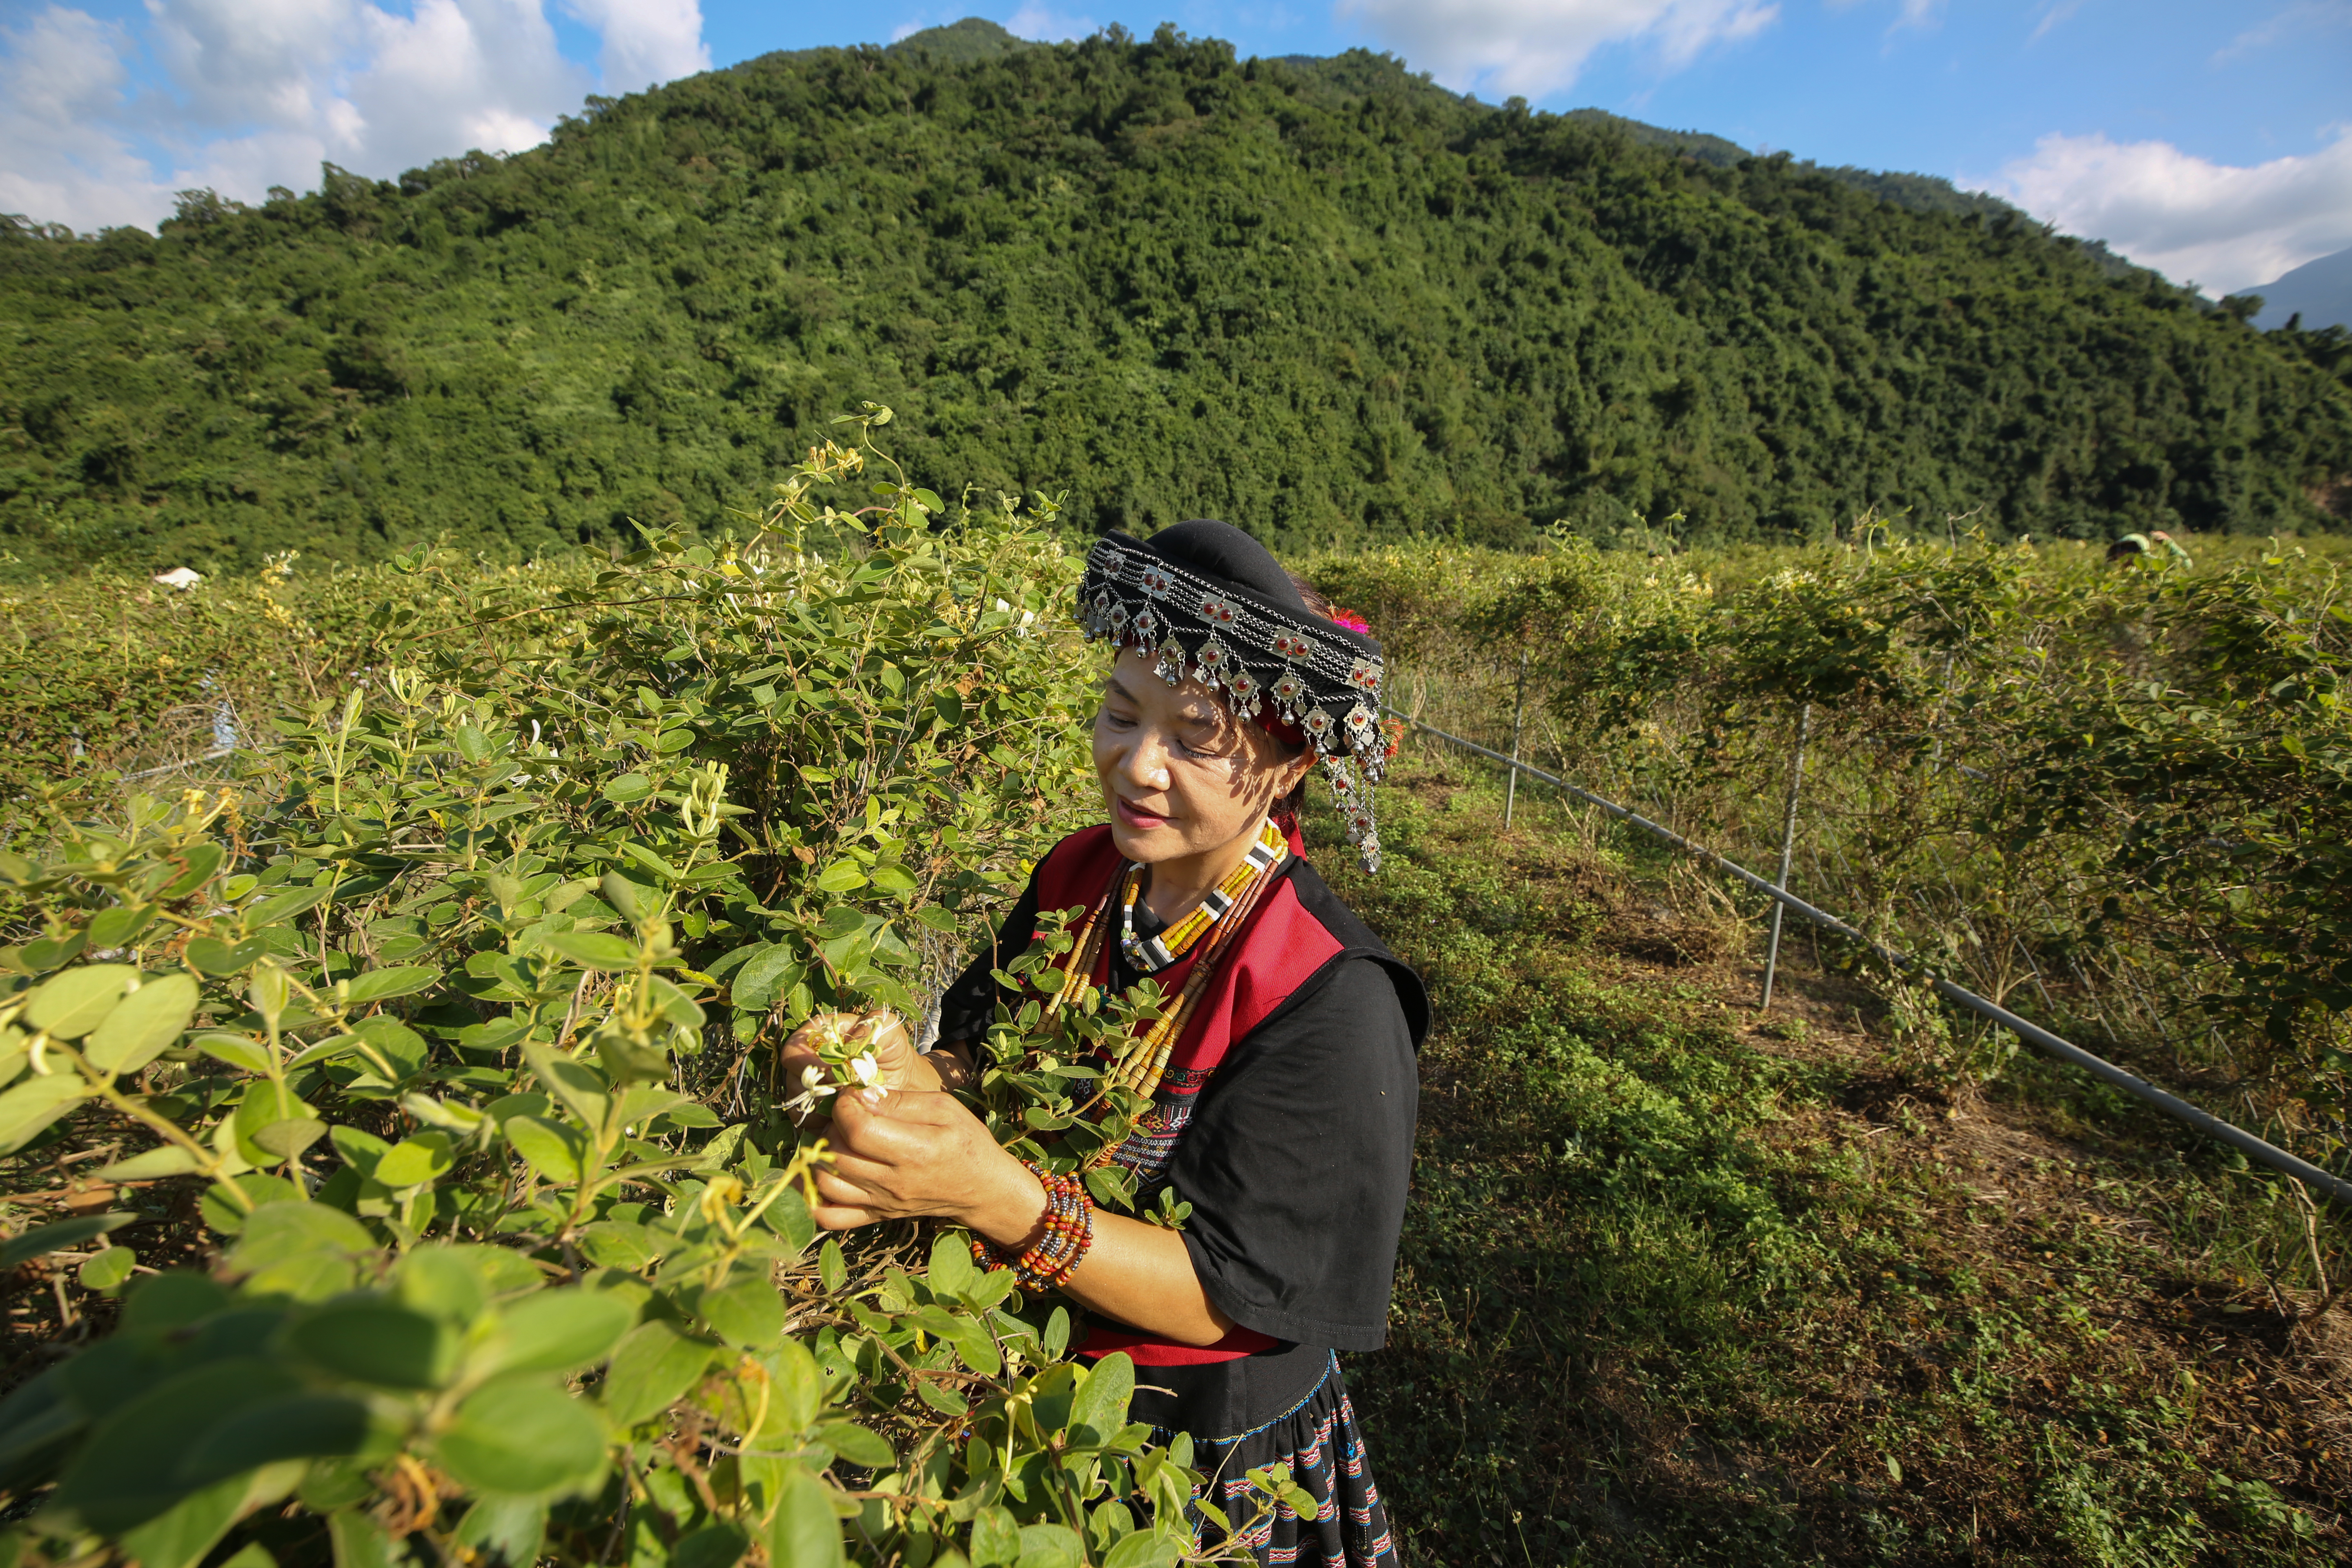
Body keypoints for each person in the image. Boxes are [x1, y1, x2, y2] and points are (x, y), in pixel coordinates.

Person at [782, 520, 1428, 1567]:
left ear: (1288, 762)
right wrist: (896, 1080)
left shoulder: (1331, 994)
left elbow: (1229, 1296)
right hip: (1019, 1376)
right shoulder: (1083, 874)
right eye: (1122, 714)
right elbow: (984, 1049)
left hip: (1194, 1450)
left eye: (1195, 737)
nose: (1137, 764)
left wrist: (995, 1198)